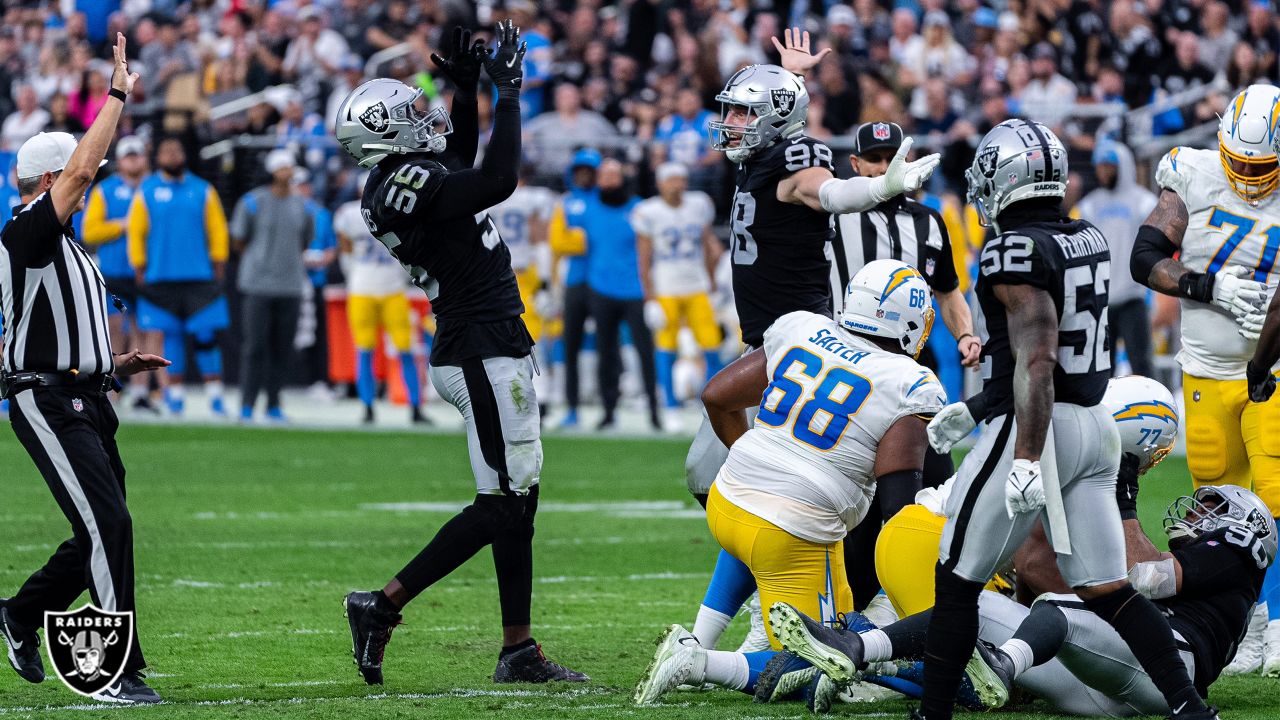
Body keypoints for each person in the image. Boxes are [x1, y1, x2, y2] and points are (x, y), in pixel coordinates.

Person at [901, 118, 1210, 720]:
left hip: (1037, 429)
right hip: (1095, 427)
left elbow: (1038, 358)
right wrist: (975, 406)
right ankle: (1190, 709)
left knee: (958, 575)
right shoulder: (1085, 234)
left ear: (1006, 181)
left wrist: (1021, 456)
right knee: (1107, 588)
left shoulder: (1013, 249)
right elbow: (1045, 354)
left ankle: (932, 712)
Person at [770, 379, 1274, 718]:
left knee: (1039, 611)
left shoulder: (1230, 561)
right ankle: (860, 649)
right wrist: (1120, 489)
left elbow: (1139, 578)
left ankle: (990, 664)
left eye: (1210, 508)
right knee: (988, 609)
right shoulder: (1084, 456)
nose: (1193, 513)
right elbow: (1110, 577)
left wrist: (1119, 491)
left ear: (1247, 532)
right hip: (1117, 671)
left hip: (1152, 670)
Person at [333, 23, 586, 685]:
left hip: (491, 341)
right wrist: (508, 94)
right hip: (476, 348)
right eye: (411, 114)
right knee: (502, 502)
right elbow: (496, 177)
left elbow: (463, 163)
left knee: (517, 502)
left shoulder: (412, 176)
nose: (427, 118)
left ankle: (519, 650)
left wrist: (466, 88)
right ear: (383, 135)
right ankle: (382, 603)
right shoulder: (395, 186)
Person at [681, 29, 939, 659]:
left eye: (744, 112)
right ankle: (735, 618)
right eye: (732, 110)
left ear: (775, 120)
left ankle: (828, 603)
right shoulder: (760, 155)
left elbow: (827, 191)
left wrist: (880, 188)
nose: (731, 123)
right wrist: (789, 77)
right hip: (768, 339)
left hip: (799, 342)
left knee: (731, 476)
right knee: (712, 475)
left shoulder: (796, 159)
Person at [633, 260, 945, 705]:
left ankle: (701, 637)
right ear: (911, 322)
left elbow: (716, 396)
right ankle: (697, 662)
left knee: (770, 515)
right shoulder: (909, 383)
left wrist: (759, 458)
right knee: (826, 662)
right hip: (788, 531)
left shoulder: (804, 329)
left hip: (728, 501)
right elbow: (897, 512)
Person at [0, 35, 169, 705]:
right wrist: (118, 96)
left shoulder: (65, 245)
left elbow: (61, 327)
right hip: (46, 400)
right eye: (78, 172)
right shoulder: (26, 232)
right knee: (108, 525)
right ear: (50, 180)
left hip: (87, 395)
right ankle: (110, 668)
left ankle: (19, 612)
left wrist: (114, 360)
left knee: (106, 524)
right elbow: (77, 174)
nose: (90, 177)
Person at [1131, 83, 1280, 677]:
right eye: (1238, 161)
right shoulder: (1191, 173)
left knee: (1274, 492)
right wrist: (1207, 285)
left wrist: (1263, 359)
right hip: (1204, 366)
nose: (1247, 175)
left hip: (1272, 368)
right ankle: (1245, 624)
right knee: (1214, 499)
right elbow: (1145, 258)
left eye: (1260, 165)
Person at [829, 120, 979, 611]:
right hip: (850, 364)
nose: (887, 167)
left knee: (934, 483)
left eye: (894, 156)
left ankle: (923, 588)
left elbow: (948, 290)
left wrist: (966, 333)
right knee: (854, 493)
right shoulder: (832, 219)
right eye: (875, 159)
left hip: (914, 367)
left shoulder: (929, 222)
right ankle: (851, 604)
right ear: (855, 166)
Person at [126, 136, 230, 417]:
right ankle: (175, 397)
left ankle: (216, 397)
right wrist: (139, 265)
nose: (172, 155)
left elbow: (218, 228)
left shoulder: (202, 190)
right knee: (170, 337)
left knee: (206, 337)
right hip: (161, 277)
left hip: (199, 276)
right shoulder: (146, 191)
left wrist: (219, 261)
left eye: (176, 150)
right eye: (166, 151)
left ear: (184, 155)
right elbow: (136, 232)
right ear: (158, 157)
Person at [566, 158, 661, 430]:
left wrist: (651, 292)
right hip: (600, 288)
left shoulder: (638, 209)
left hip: (634, 290)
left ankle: (655, 412)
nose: (608, 180)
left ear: (622, 178)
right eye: (604, 175)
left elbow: (648, 252)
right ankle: (608, 411)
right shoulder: (587, 209)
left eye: (613, 175)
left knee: (645, 352)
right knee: (605, 354)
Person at [333, 172, 427, 425]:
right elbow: (346, 250)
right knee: (366, 350)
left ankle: (413, 407)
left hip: (384, 288)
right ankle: (369, 407)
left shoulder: (351, 214)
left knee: (403, 349)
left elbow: (346, 252)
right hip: (367, 288)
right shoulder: (356, 214)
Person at [228, 148, 312, 422]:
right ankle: (247, 404)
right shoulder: (252, 202)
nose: (288, 173)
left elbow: (305, 240)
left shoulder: (301, 205)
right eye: (283, 167)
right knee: (255, 346)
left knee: (281, 347)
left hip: (290, 286)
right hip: (257, 285)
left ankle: (274, 403)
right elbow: (239, 240)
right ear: (273, 171)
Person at [632, 161, 722, 410]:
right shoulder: (648, 211)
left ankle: (711, 402)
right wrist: (649, 298)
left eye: (680, 179)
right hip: (666, 289)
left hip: (697, 285)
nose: (676, 185)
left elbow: (707, 245)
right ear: (660, 183)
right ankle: (670, 404)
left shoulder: (699, 204)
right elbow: (643, 258)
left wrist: (712, 283)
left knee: (711, 343)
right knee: (666, 346)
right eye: (670, 180)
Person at [82, 135, 154, 412]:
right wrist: (125, 225)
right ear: (121, 161)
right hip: (114, 269)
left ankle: (139, 390)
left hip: (146, 270)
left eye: (137, 155)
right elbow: (91, 231)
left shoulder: (152, 187)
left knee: (143, 326)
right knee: (113, 329)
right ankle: (109, 387)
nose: (133, 160)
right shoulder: (106, 190)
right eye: (129, 156)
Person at [1075, 140, 1157, 378]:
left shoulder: (1144, 203)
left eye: (1109, 166)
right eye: (1099, 167)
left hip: (1133, 297)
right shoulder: (1089, 206)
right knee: (1101, 368)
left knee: (1141, 364)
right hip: (1101, 300)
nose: (1103, 172)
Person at [551, 148, 600, 429]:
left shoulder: (602, 201)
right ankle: (571, 407)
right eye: (580, 170)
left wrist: (579, 237)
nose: (584, 176)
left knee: (608, 346)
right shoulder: (565, 203)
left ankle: (609, 406)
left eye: (588, 171)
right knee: (570, 345)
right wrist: (586, 240)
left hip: (601, 281)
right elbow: (558, 243)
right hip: (574, 282)